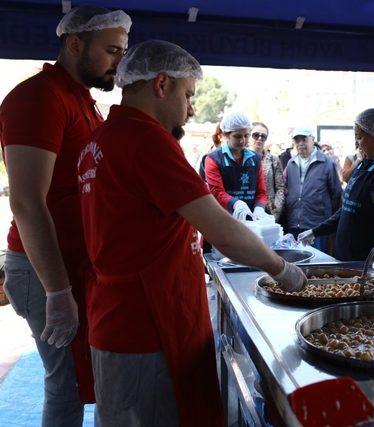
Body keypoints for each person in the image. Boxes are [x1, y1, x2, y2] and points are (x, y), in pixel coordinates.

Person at [77, 40, 306, 426]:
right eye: (187, 95)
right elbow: (223, 231)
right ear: (162, 85)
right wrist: (282, 269)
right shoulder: (146, 140)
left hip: (116, 318)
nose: (191, 109)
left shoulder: (100, 140)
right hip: (148, 328)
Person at [0, 7, 130, 426]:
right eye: (111, 51)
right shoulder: (38, 98)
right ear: (75, 44)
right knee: (68, 385)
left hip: (74, 265)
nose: (119, 62)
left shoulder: (81, 100)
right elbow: (26, 201)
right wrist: (57, 291)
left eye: (122, 52)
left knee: (81, 381)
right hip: (45, 269)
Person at [298, 108, 374, 269]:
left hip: (373, 267)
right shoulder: (365, 164)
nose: (356, 143)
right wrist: (315, 231)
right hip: (348, 261)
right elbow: (348, 208)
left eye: (359, 137)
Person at [284, 126, 342, 252]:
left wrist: (331, 225)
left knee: (316, 264)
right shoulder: (291, 163)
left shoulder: (327, 162)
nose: (300, 143)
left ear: (312, 139)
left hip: (316, 226)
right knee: (295, 263)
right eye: (297, 140)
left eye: (304, 139)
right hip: (293, 223)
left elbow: (336, 194)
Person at [204, 111, 269, 221]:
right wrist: (235, 203)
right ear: (226, 135)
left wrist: (259, 207)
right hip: (224, 219)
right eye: (237, 136)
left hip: (251, 218)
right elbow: (217, 191)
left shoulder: (255, 159)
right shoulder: (213, 159)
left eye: (246, 135)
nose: (243, 140)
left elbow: (261, 192)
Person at [249, 122, 285, 221]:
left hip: (268, 211)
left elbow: (280, 188)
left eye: (263, 136)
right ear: (249, 135)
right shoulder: (241, 158)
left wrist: (275, 212)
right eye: (256, 135)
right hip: (247, 209)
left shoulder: (274, 159)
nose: (259, 138)